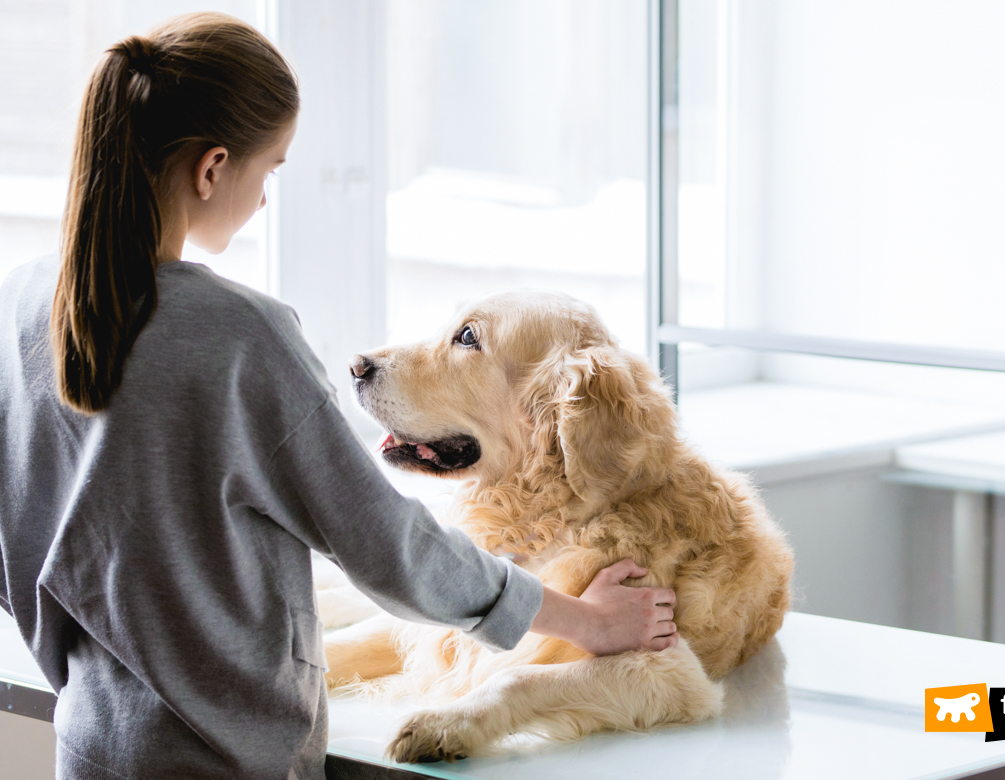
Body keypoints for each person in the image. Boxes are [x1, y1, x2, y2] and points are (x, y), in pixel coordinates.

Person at [0, 13, 679, 779]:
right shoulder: (240, 337)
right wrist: (582, 620)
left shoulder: (20, 304)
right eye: (272, 169)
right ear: (213, 167)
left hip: (90, 743)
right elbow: (391, 546)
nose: (264, 199)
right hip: (234, 759)